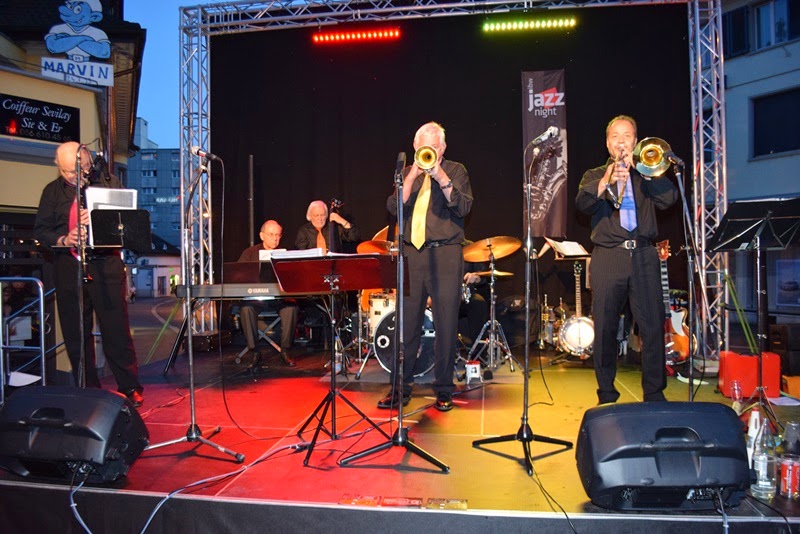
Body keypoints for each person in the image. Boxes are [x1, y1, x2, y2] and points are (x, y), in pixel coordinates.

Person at [576, 115, 678, 404]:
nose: (621, 142)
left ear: (636, 141)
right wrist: (607, 180)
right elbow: (582, 203)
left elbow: (669, 199)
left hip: (644, 254)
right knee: (605, 327)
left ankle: (654, 393)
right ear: (607, 143)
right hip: (609, 255)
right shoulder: (594, 174)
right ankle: (606, 393)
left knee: (652, 325)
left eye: (627, 136)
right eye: (615, 137)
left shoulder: (647, 172)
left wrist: (645, 173)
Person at [34, 141, 143, 407]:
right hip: (69, 267)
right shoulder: (52, 192)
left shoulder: (108, 183)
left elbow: (126, 225)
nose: (76, 175)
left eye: (81, 169)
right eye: (69, 171)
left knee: (116, 330)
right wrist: (64, 239)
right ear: (59, 167)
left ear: (88, 161)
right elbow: (41, 232)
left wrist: (99, 220)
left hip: (106, 266)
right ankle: (87, 387)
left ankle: (129, 386)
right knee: (76, 333)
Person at [380, 121, 473, 412]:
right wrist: (411, 176)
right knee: (406, 324)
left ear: (442, 148)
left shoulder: (456, 170)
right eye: (423, 147)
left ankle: (444, 389)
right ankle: (400, 388)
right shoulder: (407, 173)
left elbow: (463, 207)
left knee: (445, 324)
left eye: (433, 147)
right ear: (415, 147)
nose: (428, 152)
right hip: (412, 254)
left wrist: (439, 175)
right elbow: (394, 208)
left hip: (445, 253)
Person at [237, 220, 299, 367]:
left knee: (291, 309)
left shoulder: (285, 254)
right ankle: (254, 351)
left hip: (279, 299)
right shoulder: (249, 253)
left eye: (278, 235)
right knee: (246, 309)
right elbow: (239, 276)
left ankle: (285, 350)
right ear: (262, 235)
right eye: (271, 234)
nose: (275, 238)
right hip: (256, 299)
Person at [294, 200, 359, 252]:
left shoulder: (334, 227)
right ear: (310, 216)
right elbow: (301, 252)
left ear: (326, 215)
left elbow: (354, 237)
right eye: (316, 215)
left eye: (322, 215)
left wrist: (342, 221)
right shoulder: (304, 231)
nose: (320, 218)